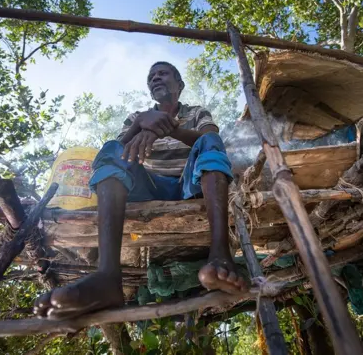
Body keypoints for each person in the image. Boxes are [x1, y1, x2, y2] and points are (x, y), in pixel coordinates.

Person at [35, 62, 247, 319]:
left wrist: (169, 129)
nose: (156, 78)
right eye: (151, 77)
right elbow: (117, 151)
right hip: (149, 185)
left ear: (179, 85)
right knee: (111, 149)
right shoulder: (137, 116)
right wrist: (141, 125)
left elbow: (210, 139)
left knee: (210, 142)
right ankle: (107, 277)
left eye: (163, 73)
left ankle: (220, 254)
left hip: (188, 185)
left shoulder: (196, 112)